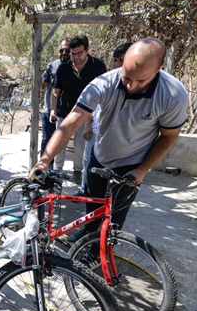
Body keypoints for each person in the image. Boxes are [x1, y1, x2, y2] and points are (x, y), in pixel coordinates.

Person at [33, 38, 188, 240]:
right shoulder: (104, 83)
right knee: (93, 206)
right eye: (127, 76)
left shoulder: (173, 95)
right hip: (100, 155)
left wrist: (142, 169)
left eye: (140, 80)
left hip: (132, 164)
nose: (131, 85)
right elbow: (70, 123)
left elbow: (168, 137)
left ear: (160, 68)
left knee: (113, 219)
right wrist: (45, 160)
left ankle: (99, 254)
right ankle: (88, 236)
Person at [50, 35, 107, 183]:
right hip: (65, 113)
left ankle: (78, 172)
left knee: (81, 145)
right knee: (60, 143)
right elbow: (55, 91)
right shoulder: (63, 67)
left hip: (87, 114)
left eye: (79, 53)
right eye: (72, 53)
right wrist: (53, 110)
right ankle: (57, 171)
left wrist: (95, 116)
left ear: (87, 50)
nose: (76, 57)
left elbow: (104, 92)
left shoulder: (98, 66)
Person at [79, 42, 132, 194]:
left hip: (115, 138)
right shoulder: (105, 82)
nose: (118, 64)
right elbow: (91, 107)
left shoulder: (135, 85)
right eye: (116, 60)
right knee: (88, 163)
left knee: (110, 171)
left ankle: (106, 199)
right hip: (95, 131)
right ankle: (85, 190)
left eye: (122, 60)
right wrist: (87, 125)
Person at [40, 39, 70, 163]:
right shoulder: (52, 65)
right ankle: (43, 167)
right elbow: (42, 87)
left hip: (66, 112)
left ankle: (59, 168)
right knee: (47, 139)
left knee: (60, 141)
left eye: (67, 50)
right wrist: (38, 75)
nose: (63, 53)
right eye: (61, 50)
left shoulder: (75, 67)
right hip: (49, 110)